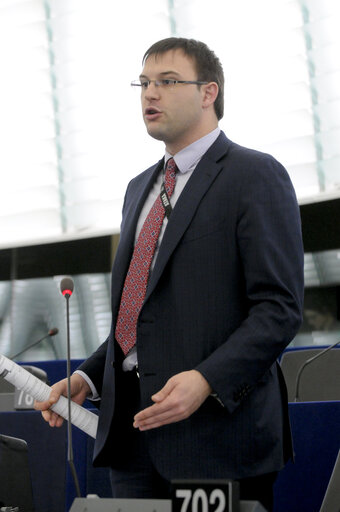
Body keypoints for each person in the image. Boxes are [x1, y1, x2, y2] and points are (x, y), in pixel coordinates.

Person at [35, 37, 304, 511]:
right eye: (144, 83)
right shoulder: (139, 188)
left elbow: (278, 310)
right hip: (132, 444)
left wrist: (205, 379)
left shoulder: (254, 175)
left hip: (217, 439)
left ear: (209, 93)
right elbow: (139, 313)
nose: (149, 94)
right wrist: (89, 378)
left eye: (167, 82)